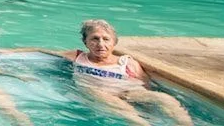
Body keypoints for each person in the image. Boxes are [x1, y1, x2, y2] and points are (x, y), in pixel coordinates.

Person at [37, 20, 192, 126]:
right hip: (97, 92)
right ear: (85, 42)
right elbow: (40, 51)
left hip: (127, 92)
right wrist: (13, 52)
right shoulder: (77, 56)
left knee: (165, 99)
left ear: (114, 42)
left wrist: (146, 106)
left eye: (106, 39)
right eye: (95, 39)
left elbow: (145, 85)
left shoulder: (127, 62)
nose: (101, 44)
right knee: (124, 110)